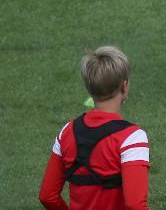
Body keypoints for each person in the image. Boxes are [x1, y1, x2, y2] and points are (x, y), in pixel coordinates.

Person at [39, 46, 150, 210]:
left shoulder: (66, 132)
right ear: (124, 86)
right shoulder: (132, 137)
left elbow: (47, 196)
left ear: (89, 89)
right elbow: (134, 205)